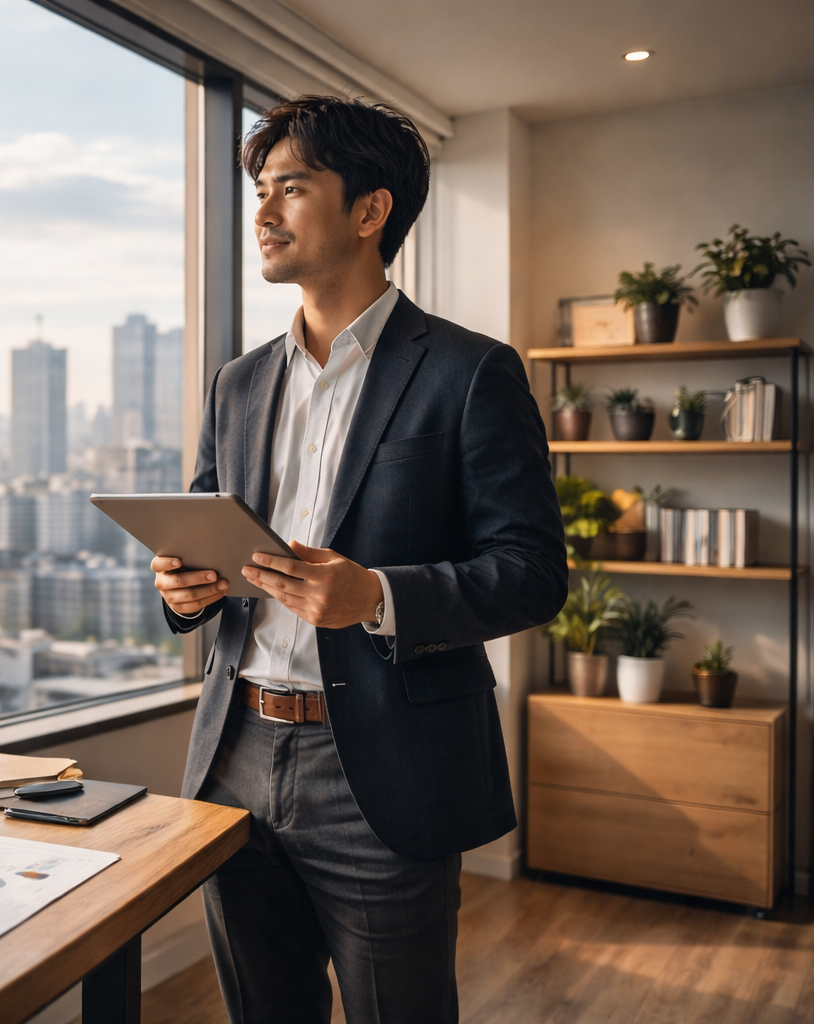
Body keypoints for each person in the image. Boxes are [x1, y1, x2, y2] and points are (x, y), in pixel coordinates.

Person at [153, 96, 567, 1024]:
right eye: (261, 190)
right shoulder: (239, 381)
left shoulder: (470, 371)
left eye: (291, 188)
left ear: (371, 211)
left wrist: (375, 596)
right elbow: (206, 545)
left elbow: (535, 571)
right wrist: (184, 590)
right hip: (234, 752)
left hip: (383, 762)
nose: (262, 212)